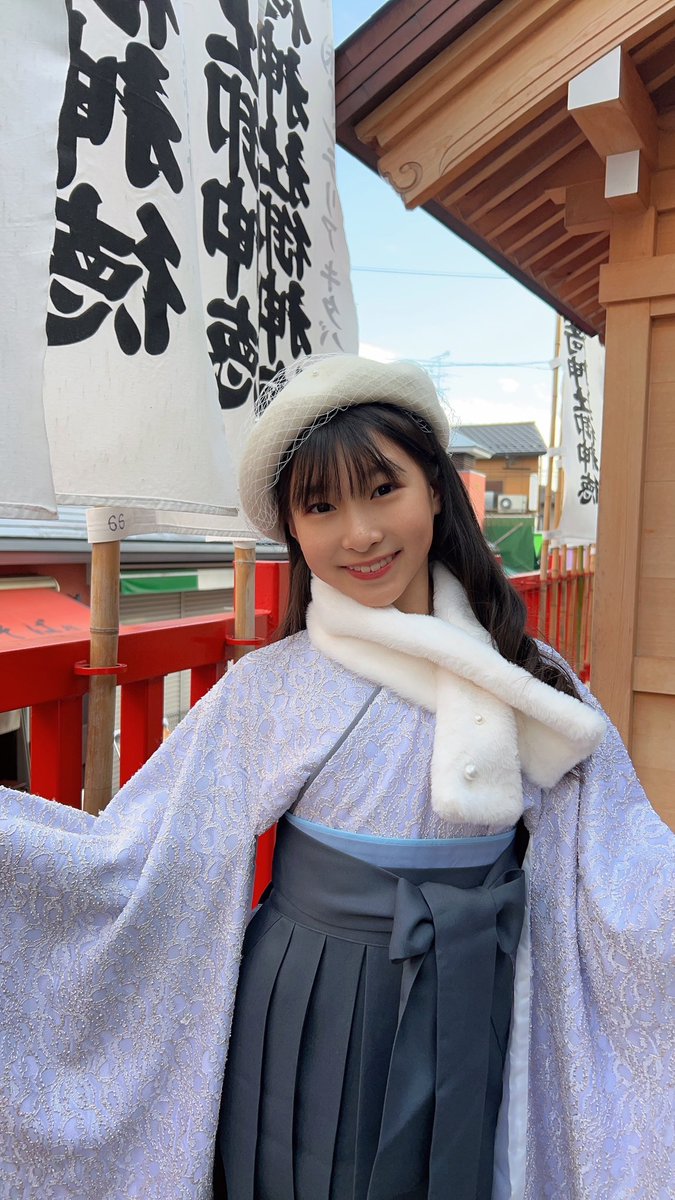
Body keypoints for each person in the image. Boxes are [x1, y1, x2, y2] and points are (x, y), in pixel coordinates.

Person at [0, 355, 673, 1200]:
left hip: (486, 989)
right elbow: (137, 858)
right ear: (293, 529)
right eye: (321, 507)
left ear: (436, 490)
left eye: (383, 490)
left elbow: (620, 861)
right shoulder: (269, 687)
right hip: (312, 999)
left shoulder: (529, 677)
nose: (359, 533)